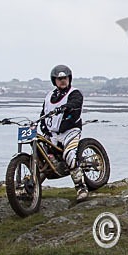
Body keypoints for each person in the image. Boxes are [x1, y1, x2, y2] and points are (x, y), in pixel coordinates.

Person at [40, 64, 88, 201]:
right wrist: (43, 127)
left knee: (69, 155)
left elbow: (76, 103)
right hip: (52, 133)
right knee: (40, 153)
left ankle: (81, 187)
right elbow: (43, 113)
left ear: (69, 79)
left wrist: (66, 107)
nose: (62, 81)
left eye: (65, 78)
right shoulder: (49, 96)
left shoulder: (75, 93)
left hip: (70, 130)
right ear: (54, 80)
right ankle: (32, 185)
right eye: (59, 79)